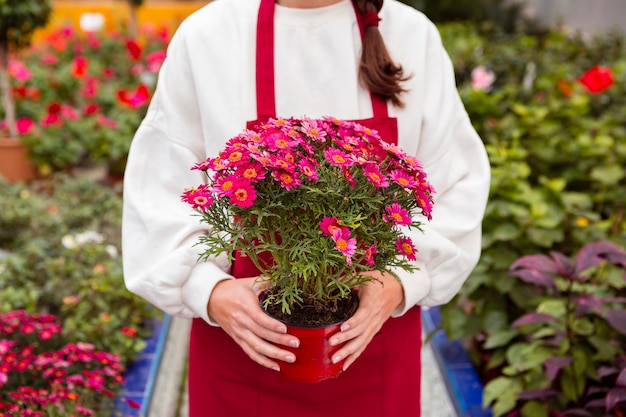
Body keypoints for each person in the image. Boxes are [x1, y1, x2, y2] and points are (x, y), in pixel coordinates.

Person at [121, 0, 490, 414]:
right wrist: (210, 291)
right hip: (243, 356)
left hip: (373, 355)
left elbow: (455, 185)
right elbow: (160, 186)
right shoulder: (209, 35)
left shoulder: (410, 35)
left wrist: (399, 281)